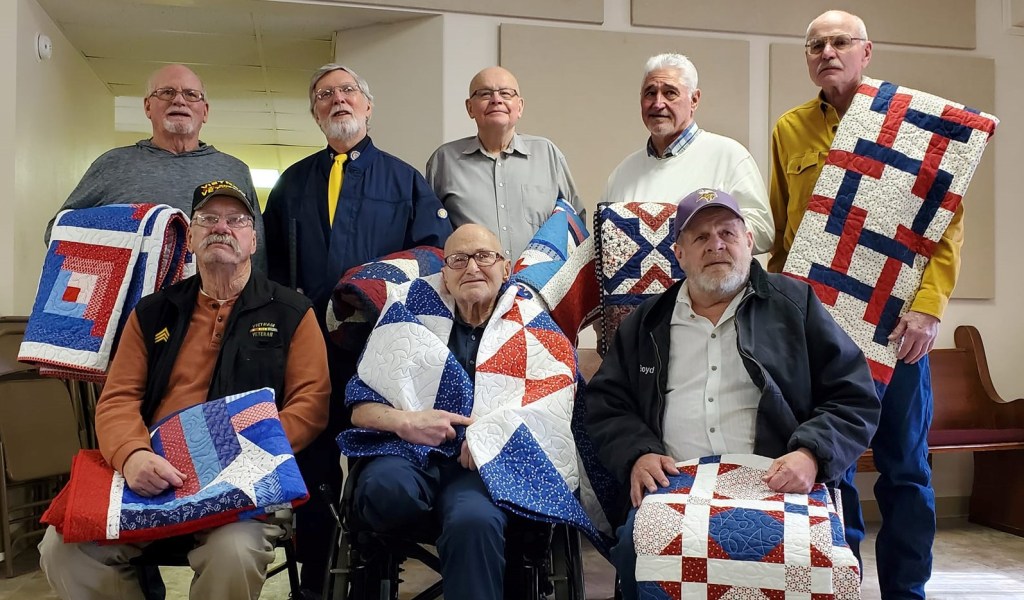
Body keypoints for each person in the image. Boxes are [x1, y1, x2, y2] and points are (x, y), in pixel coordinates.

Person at [38, 180, 330, 600]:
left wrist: (236, 454)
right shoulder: (152, 312)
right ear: (190, 237)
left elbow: (309, 406)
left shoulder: (293, 313)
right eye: (208, 219)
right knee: (64, 547)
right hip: (153, 473)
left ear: (253, 240)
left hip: (242, 477)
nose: (221, 228)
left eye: (236, 220)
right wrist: (133, 455)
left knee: (234, 551)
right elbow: (118, 399)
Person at [585, 188, 879, 600]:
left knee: (816, 563)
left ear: (748, 242)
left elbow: (855, 397)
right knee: (638, 548)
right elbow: (606, 403)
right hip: (676, 482)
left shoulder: (795, 306)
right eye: (700, 237)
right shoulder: (645, 322)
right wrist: (638, 454)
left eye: (727, 232)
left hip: (776, 480)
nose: (716, 245)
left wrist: (811, 454)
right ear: (680, 254)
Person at [767, 10, 959, 599]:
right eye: (815, 44)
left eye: (839, 42)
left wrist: (929, 307)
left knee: (906, 470)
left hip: (898, 329)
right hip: (823, 332)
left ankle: (907, 592)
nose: (827, 51)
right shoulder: (790, 129)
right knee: (832, 468)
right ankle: (839, 587)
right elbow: (784, 233)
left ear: (866, 51)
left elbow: (945, 225)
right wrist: (782, 317)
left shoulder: (911, 123)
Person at [261, 63, 451, 597]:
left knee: (376, 458)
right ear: (315, 113)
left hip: (380, 350)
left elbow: (432, 257)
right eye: (324, 94)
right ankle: (316, 582)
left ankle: (373, 580)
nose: (337, 99)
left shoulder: (405, 179)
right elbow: (270, 266)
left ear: (368, 106)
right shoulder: (292, 183)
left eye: (348, 91)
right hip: (308, 350)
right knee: (313, 464)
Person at [44, 64, 265, 270]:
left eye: (191, 94)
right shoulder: (112, 164)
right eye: (167, 92)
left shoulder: (235, 171)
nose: (179, 100)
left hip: (213, 298)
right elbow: (59, 232)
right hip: (133, 298)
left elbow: (258, 250)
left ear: (205, 111)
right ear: (148, 106)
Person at [600, 54, 774, 254]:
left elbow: (763, 231)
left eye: (670, 93)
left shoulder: (729, 156)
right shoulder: (621, 175)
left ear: (694, 100)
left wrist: (703, 236)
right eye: (650, 93)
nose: (658, 103)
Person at [426, 66, 583, 259]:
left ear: (520, 106)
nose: (496, 100)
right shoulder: (444, 161)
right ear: (470, 108)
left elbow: (575, 225)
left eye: (506, 93)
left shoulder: (547, 154)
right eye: (485, 93)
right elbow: (431, 236)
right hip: (473, 277)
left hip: (542, 277)